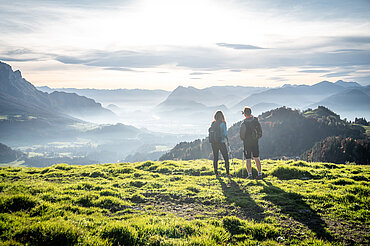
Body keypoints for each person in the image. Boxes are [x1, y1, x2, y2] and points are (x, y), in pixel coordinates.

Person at [240, 107, 263, 179]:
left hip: (247, 143)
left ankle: (250, 175)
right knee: (256, 158)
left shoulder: (244, 123)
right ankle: (260, 174)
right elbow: (260, 132)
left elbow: (242, 135)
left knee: (248, 159)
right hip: (255, 142)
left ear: (245, 114)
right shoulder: (256, 121)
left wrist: (244, 139)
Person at [209, 110, 230, 177]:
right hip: (221, 142)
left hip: (214, 143)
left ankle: (216, 173)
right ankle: (227, 173)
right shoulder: (223, 123)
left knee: (215, 157)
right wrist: (226, 139)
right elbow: (224, 134)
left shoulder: (213, 123)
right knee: (226, 157)